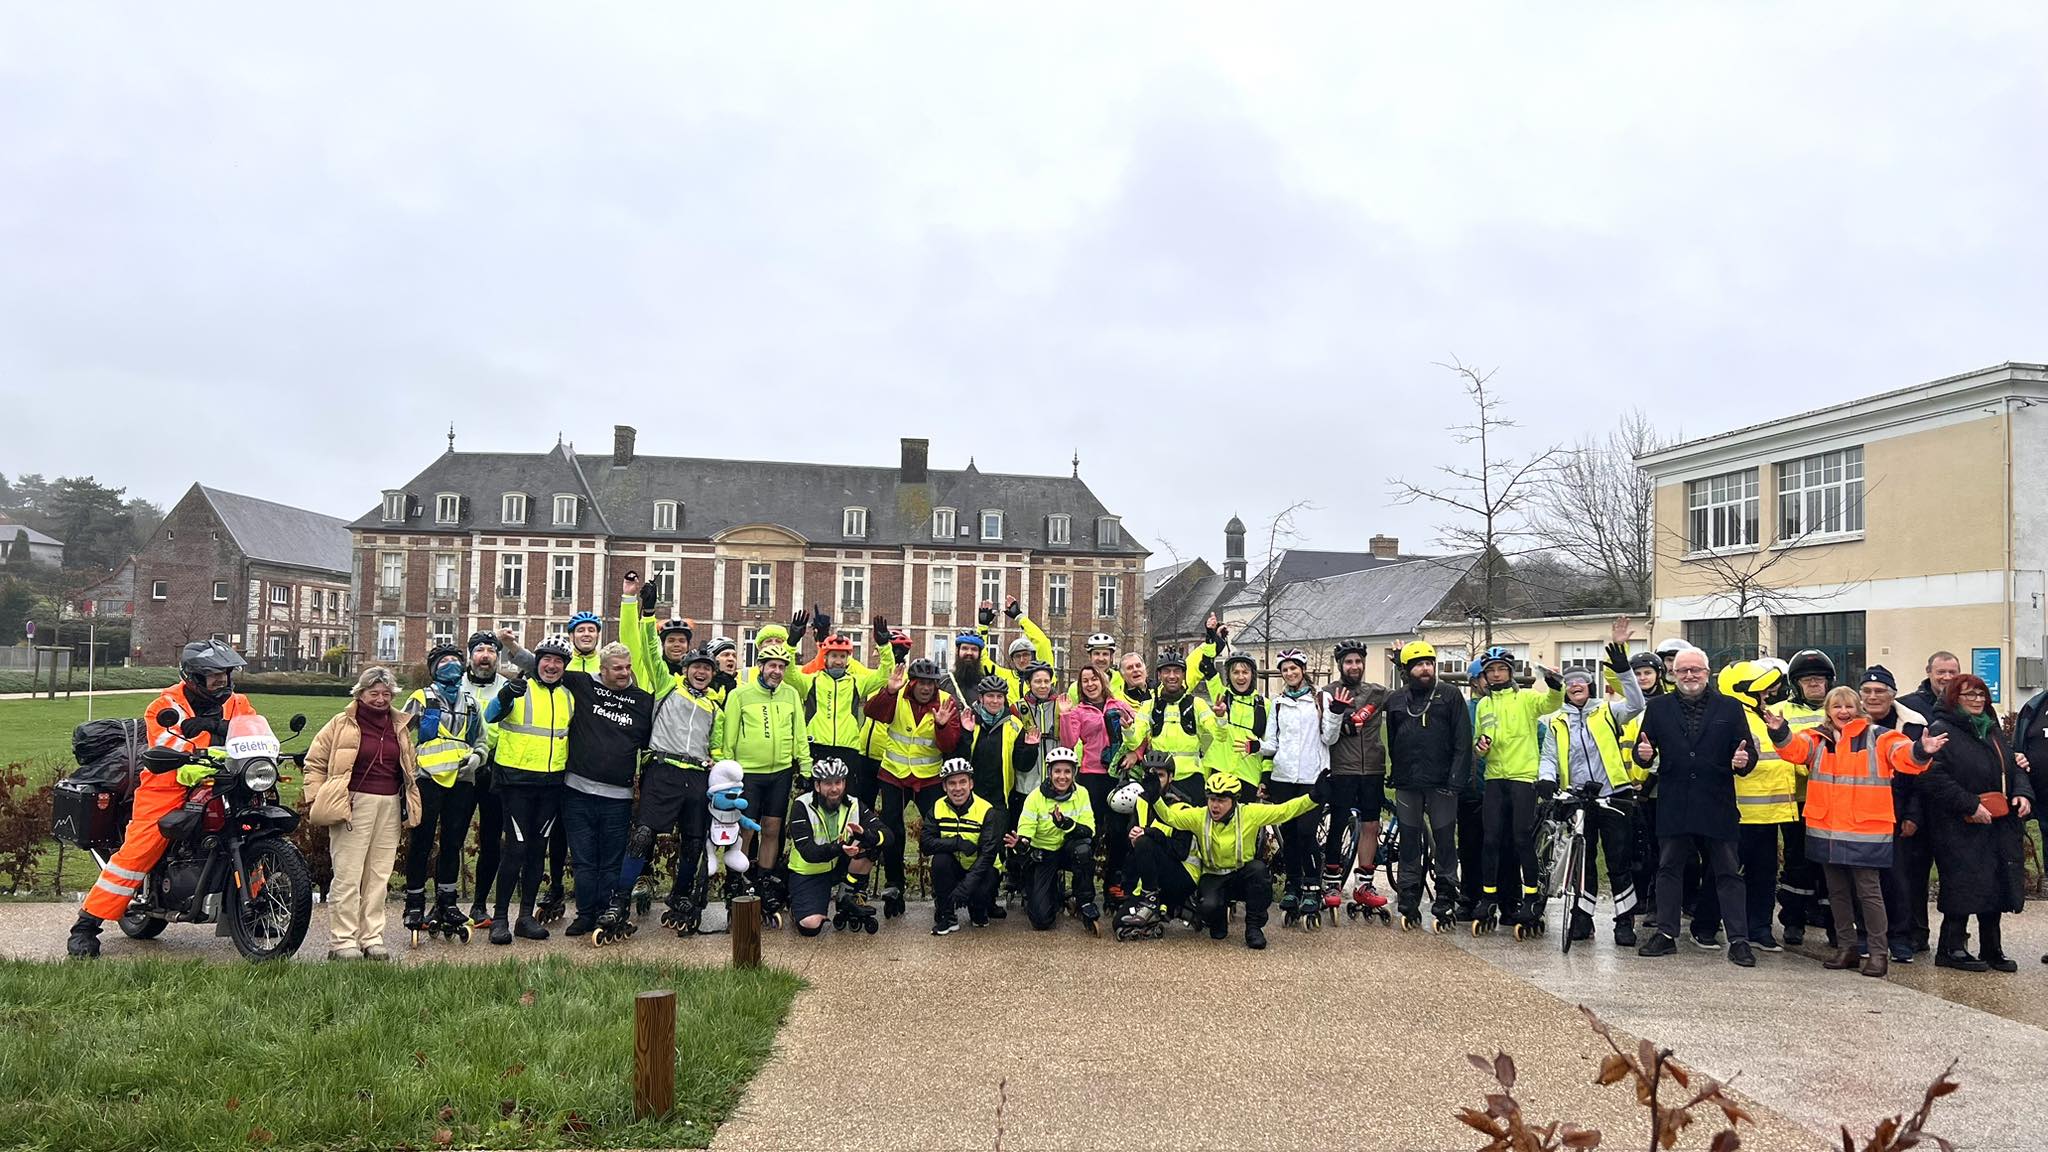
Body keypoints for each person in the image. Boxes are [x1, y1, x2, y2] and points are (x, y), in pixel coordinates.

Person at [69, 640, 259, 958]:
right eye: (214, 675)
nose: (222, 681)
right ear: (193, 677)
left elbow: (253, 733)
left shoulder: (238, 702)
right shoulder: (165, 705)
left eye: (225, 674)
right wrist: (211, 736)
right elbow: (169, 745)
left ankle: (257, 907)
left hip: (228, 780)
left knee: (252, 829)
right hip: (168, 786)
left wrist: (222, 727)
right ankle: (86, 925)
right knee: (140, 850)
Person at [1765, 686, 1939, 978]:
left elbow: (1904, 756)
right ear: (1828, 711)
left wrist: (1922, 750)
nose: (1843, 712)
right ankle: (1848, 948)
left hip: (1864, 829)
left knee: (1869, 893)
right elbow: (1793, 750)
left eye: (1848, 706)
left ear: (1858, 710)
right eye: (1837, 707)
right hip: (1827, 829)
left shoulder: (1878, 736)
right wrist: (1779, 731)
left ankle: (1878, 952)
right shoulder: (1817, 738)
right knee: (1837, 893)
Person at [1631, 647, 1759, 967]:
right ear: (1673, 674)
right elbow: (1643, 749)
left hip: (1717, 802)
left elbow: (1746, 753)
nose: (1690, 675)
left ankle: (1739, 940)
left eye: (1696, 670)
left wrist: (1743, 761)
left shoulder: (1729, 707)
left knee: (1728, 872)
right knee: (1669, 869)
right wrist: (1643, 756)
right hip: (1674, 802)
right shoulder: (1658, 707)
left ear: (1707, 673)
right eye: (1683, 670)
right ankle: (1666, 934)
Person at [620, 575, 724, 931]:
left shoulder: (715, 707)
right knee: (643, 834)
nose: (701, 673)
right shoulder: (667, 686)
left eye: (706, 669)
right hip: (663, 769)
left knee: (694, 841)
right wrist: (648, 612)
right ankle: (620, 898)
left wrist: (718, 764)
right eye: (696, 667)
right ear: (686, 669)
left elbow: (717, 745)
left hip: (696, 775)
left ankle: (680, 895)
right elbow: (650, 649)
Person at [302, 666, 425, 960]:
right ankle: (343, 941)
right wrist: (319, 798)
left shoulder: (400, 726)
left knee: (378, 876)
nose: (380, 699)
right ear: (360, 694)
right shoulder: (341, 723)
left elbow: (409, 766)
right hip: (352, 804)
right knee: (348, 875)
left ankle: (372, 937)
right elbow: (315, 762)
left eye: (386, 693)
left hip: (390, 805)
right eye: (374, 693)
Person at [1537, 622, 1645, 946]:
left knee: (1618, 861)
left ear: (1590, 685)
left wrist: (1623, 668)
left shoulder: (1607, 712)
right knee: (1582, 863)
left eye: (1581, 681)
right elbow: (1549, 757)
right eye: (1570, 683)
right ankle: (1582, 919)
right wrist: (1546, 780)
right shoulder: (1556, 721)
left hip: (1613, 795)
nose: (1575, 685)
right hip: (1578, 800)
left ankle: (1624, 922)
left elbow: (1637, 704)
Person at [1918, 674, 2035, 972]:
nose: (1977, 700)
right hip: (1958, 824)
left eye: (1981, 694)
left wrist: (2022, 793)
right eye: (1969, 694)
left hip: (1998, 821)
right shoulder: (1942, 730)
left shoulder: (1991, 730)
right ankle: (1951, 948)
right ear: (1954, 698)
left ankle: (1992, 948)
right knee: (1962, 885)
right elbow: (1932, 777)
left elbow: (2013, 766)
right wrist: (1970, 804)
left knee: (1995, 882)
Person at [1144, 770, 1323, 950]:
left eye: (1221, 800)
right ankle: (1218, 919)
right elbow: (1170, 817)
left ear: (1234, 801)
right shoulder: (1199, 816)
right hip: (1213, 876)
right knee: (1211, 916)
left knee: (1259, 871)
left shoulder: (1249, 813)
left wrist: (1313, 797)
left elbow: (1284, 810)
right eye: (1212, 799)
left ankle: (1253, 928)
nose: (1215, 806)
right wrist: (1155, 798)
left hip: (1241, 875)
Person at [1691, 660, 1799, 953]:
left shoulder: (1763, 717)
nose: (1768, 694)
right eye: (1761, 690)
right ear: (1743, 691)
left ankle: (1758, 929)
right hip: (1737, 813)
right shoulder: (1726, 719)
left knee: (1764, 874)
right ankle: (1705, 926)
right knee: (1722, 873)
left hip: (1769, 813)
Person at [549, 641, 654, 939]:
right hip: (577, 793)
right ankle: (584, 915)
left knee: (610, 861)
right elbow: (545, 667)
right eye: (617, 668)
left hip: (617, 797)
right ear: (602, 669)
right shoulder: (583, 685)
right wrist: (510, 646)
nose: (624, 673)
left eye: (627, 667)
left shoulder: (643, 701)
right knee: (584, 860)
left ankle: (607, 913)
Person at [482, 634, 576, 945]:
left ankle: (525, 917)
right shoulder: (520, 687)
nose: (552, 666)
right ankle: (500, 919)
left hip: (551, 784)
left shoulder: (568, 696)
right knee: (516, 849)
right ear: (537, 661)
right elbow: (490, 716)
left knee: (538, 850)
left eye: (558, 661)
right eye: (547, 659)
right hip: (516, 782)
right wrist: (505, 695)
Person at [712, 640, 811, 919]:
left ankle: (764, 883)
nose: (776, 671)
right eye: (772, 666)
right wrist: (726, 773)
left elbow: (799, 733)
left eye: (781, 667)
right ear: (761, 666)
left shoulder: (791, 694)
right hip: (748, 773)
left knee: (771, 829)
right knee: (745, 830)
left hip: (780, 772)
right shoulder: (741, 695)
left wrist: (805, 767)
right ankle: (737, 881)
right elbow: (729, 737)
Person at [1470, 646, 1564, 934]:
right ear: (1485, 676)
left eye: (1501, 669)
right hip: (1495, 778)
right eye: (1491, 671)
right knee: (1491, 839)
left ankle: (1531, 897)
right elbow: (1478, 744)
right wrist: (1480, 748)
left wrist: (1555, 685)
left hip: (1523, 777)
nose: (1496, 675)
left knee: (1521, 838)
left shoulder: (1526, 698)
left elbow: (1551, 703)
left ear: (1511, 672)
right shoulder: (1484, 705)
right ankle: (1489, 897)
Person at [400, 644, 489, 942]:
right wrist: (408, 768)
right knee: (422, 841)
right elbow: (400, 734)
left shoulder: (471, 702)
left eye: (454, 660)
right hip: (428, 779)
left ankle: (447, 902)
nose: (450, 665)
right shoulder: (421, 698)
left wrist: (478, 757)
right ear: (433, 669)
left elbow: (481, 739)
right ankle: (414, 903)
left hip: (462, 780)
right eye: (444, 661)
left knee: (453, 843)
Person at [1382, 640, 1472, 930]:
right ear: (1408, 670)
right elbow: (1393, 739)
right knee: (1409, 842)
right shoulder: (1397, 700)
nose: (1425, 669)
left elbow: (1463, 740)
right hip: (1408, 782)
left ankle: (1446, 894)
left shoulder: (1450, 695)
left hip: (1442, 783)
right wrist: (1396, 773)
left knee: (1444, 841)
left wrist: (1456, 779)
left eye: (1429, 664)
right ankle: (1409, 894)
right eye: (1419, 664)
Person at [864, 657, 963, 916]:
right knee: (891, 830)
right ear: (913, 682)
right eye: (921, 683)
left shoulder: (946, 701)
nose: (926, 688)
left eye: (931, 683)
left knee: (939, 832)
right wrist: (888, 692)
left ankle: (943, 891)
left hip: (929, 777)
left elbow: (950, 744)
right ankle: (894, 885)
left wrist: (942, 725)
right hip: (894, 774)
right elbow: (872, 713)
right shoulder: (897, 693)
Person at [1259, 648, 1341, 918]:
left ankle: (1313, 885)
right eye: (1285, 669)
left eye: (1294, 668)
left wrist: (1335, 714)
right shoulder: (1278, 703)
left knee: (1307, 832)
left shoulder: (1320, 698)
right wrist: (1255, 747)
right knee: (1290, 835)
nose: (1290, 673)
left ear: (1303, 670)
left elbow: (1329, 738)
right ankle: (1293, 885)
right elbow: (1272, 742)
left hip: (1312, 777)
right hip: (1283, 778)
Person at [1857, 666, 1926, 965]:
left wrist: (1913, 814)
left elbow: (1921, 776)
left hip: (1896, 812)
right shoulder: (1850, 725)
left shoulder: (1912, 725)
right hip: (1858, 815)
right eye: (1867, 691)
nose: (1873, 697)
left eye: (1880, 691)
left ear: (1892, 695)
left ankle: (1899, 938)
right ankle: (1865, 936)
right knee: (1862, 881)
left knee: (1898, 880)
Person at [1894, 652, 1957, 953]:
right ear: (1928, 671)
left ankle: (1955, 936)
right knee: (1914, 874)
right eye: (1941, 671)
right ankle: (1915, 931)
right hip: (1918, 802)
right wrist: (1912, 812)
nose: (1946, 677)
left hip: (1952, 803)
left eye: (1952, 672)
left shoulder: (1965, 705)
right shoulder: (1908, 707)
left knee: (1956, 875)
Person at [1322, 640, 1392, 913]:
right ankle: (1332, 882)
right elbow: (1323, 730)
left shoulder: (1377, 692)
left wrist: (1401, 664)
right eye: (1349, 662)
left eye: (1358, 661)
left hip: (1372, 768)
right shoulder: (1329, 692)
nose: (1354, 666)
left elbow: (1408, 696)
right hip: (1342, 768)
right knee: (1338, 823)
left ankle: (1364, 884)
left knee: (1371, 826)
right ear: (1340, 665)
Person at [1773, 649, 1836, 946]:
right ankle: (1793, 920)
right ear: (1796, 684)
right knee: (1797, 861)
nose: (1813, 684)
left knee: (1830, 864)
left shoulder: (1839, 708)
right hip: (1796, 800)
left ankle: (1832, 921)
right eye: (1807, 679)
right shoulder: (1780, 711)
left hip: (1833, 801)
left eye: (1819, 679)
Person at [796, 625, 896, 803]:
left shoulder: (856, 682)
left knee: (847, 800)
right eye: (834, 656)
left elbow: (884, 675)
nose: (838, 661)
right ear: (825, 658)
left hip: (848, 749)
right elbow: (789, 675)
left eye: (842, 656)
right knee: (815, 799)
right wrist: (792, 642)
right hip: (817, 747)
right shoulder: (811, 681)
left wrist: (884, 646)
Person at [784, 757, 883, 936]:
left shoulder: (853, 804)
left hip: (839, 866)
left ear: (844, 783)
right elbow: (808, 852)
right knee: (811, 926)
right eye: (828, 783)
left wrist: (865, 835)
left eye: (838, 782)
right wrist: (839, 847)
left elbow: (886, 834)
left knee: (872, 843)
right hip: (809, 872)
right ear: (817, 785)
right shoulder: (802, 806)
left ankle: (848, 894)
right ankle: (795, 903)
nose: (834, 789)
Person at [1059, 664, 1136, 887]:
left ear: (1102, 681)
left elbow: (1140, 734)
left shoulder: (1119, 705)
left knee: (1119, 831)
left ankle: (1114, 883)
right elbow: (1068, 742)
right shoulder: (1078, 711)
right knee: (1091, 831)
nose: (1090, 684)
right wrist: (1065, 715)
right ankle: (1084, 886)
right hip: (1091, 775)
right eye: (1085, 681)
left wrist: (1135, 753)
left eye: (1094, 679)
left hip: (1118, 775)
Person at [1008, 746, 1099, 932]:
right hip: (1045, 853)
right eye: (1057, 771)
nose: (1062, 777)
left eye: (1067, 771)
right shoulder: (1035, 797)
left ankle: (1085, 902)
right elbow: (1025, 831)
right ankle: (1053, 891)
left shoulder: (1081, 793)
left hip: (1068, 850)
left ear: (1074, 773)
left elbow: (1089, 831)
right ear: (1049, 772)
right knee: (1041, 921)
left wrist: (1066, 824)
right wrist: (1021, 844)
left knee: (1084, 850)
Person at [460, 631, 512, 928]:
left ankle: (479, 905)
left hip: (493, 770)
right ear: (470, 656)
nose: (485, 656)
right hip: (460, 770)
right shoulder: (456, 684)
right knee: (453, 837)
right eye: (479, 650)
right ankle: (445, 903)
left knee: (491, 840)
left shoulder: (506, 687)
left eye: (491, 651)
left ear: (497, 657)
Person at [923, 757, 1006, 933]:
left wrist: (965, 888)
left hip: (983, 869)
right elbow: (926, 843)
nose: (958, 788)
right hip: (955, 866)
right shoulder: (937, 807)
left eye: (962, 782)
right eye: (952, 783)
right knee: (940, 860)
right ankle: (948, 916)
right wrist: (957, 843)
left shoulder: (986, 810)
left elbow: (988, 855)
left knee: (979, 915)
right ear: (944, 786)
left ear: (971, 784)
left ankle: (980, 907)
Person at [1127, 652, 1214, 804]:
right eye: (1167, 671)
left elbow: (1219, 735)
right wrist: (1127, 730)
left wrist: (1221, 718)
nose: (1172, 676)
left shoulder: (1198, 704)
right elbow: (1134, 741)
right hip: (1160, 777)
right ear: (1159, 675)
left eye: (1177, 671)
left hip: (1190, 777)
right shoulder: (1149, 706)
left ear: (1184, 674)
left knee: (1192, 819)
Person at [1620, 649, 1668, 926]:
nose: (1642, 678)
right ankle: (1637, 897)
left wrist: (1648, 783)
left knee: (1658, 848)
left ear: (1658, 675)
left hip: (1655, 788)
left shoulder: (1666, 704)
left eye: (1647, 673)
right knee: (1634, 847)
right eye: (1636, 674)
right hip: (1627, 786)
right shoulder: (1625, 706)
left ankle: (1656, 903)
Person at [1203, 652, 1269, 799]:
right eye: (1235, 672)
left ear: (1252, 675)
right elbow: (1206, 666)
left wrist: (1265, 778)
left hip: (1249, 775)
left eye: (1245, 672)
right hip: (1219, 771)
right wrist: (1212, 641)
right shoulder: (1221, 696)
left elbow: (1269, 746)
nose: (1240, 677)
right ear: (1229, 675)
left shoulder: (1265, 705)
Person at [972, 597, 1054, 701]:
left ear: (1033, 655)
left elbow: (1042, 642)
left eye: (1026, 655)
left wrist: (1020, 617)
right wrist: (983, 628)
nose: (1022, 660)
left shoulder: (1044, 675)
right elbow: (981, 660)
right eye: (1017, 656)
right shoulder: (1005, 677)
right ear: (1012, 659)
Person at [1069, 633, 1127, 702]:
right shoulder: (1074, 689)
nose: (1101, 659)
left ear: (1111, 657)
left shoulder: (1123, 681)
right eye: (1096, 654)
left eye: (1105, 654)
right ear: (1090, 657)